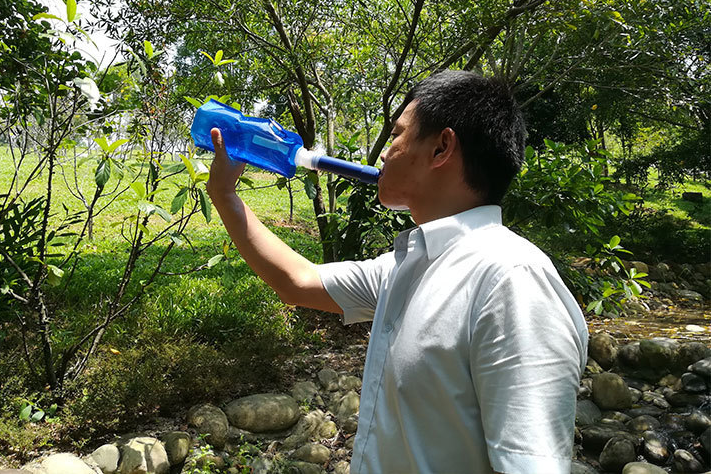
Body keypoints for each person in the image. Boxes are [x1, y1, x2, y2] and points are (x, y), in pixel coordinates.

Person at [206, 69, 589, 474]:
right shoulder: (408, 264)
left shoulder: (512, 281)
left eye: (397, 135)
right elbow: (296, 281)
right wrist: (224, 194)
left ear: (442, 148)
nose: (384, 153)